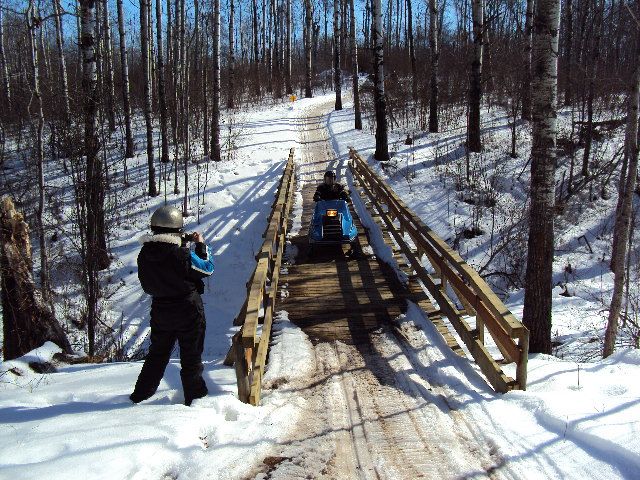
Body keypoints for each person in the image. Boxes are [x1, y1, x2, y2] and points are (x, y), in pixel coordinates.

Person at [130, 205, 214, 406]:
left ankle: (140, 395)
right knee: (191, 357)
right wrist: (201, 246)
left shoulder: (144, 254)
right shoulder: (181, 255)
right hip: (188, 309)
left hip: (160, 309)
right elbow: (207, 268)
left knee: (157, 354)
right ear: (177, 229)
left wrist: (182, 245)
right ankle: (196, 399)